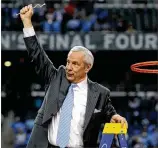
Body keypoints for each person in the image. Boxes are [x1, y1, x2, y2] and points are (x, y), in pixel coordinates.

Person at [20, 4, 128, 148]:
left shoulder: (100, 93)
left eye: (75, 64)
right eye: (68, 62)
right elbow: (36, 54)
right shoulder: (56, 77)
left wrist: (115, 117)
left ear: (87, 67)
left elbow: (110, 113)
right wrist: (27, 21)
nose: (69, 67)